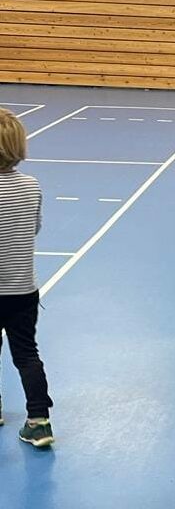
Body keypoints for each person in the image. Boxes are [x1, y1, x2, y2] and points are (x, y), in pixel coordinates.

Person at [0, 108, 55, 448]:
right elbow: (34, 228)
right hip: (23, 290)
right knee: (26, 353)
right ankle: (39, 420)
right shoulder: (31, 185)